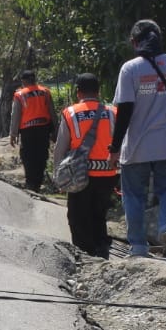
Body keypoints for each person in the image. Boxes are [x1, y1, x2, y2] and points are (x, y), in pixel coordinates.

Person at [109, 19, 166, 257]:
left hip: (136, 147)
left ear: (134, 42)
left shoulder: (131, 69)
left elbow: (124, 111)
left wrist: (114, 148)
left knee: (133, 195)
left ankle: (138, 246)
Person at [52, 73, 116, 258]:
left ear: (78, 92)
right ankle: (101, 248)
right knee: (99, 213)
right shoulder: (113, 112)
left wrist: (59, 176)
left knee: (78, 216)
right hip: (108, 173)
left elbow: (60, 147)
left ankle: (84, 254)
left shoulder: (71, 112)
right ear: (99, 91)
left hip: (80, 174)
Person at [9, 70, 55, 191]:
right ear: (34, 79)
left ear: (23, 81)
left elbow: (16, 115)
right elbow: (52, 112)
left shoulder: (20, 95)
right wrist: (55, 130)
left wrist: (13, 134)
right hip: (43, 129)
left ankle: (30, 183)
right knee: (41, 156)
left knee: (28, 157)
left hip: (27, 131)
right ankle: (37, 184)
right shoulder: (45, 92)